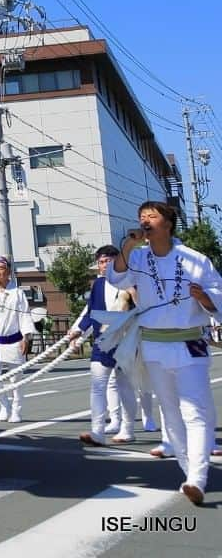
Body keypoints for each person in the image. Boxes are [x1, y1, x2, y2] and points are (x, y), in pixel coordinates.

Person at [105, 200, 222, 506]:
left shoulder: (196, 259)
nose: (145, 221)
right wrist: (128, 248)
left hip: (189, 343)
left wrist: (205, 299)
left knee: (194, 412)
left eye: (152, 216)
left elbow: (218, 300)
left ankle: (197, 477)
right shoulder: (139, 257)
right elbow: (116, 279)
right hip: (154, 344)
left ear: (167, 223)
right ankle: (190, 472)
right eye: (142, 217)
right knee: (170, 412)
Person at [70, 245, 136, 446]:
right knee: (98, 386)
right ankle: (97, 430)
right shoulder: (97, 285)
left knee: (125, 387)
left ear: (118, 261)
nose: (104, 265)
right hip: (102, 341)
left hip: (126, 340)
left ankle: (128, 429)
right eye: (101, 261)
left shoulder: (132, 281)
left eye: (108, 260)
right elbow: (91, 311)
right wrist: (79, 329)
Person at [0, 256, 34, 423]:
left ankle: (17, 410)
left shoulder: (18, 293)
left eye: (1, 268)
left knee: (16, 379)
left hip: (15, 341)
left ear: (9, 272)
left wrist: (27, 337)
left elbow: (25, 316)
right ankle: (4, 405)